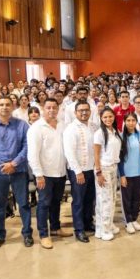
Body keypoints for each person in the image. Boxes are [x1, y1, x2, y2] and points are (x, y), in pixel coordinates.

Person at [0, 96, 33, 251]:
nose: (4, 107)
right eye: (1, 104)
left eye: (8, 104)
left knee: (23, 204)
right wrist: (3, 165)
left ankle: (27, 234)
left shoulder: (22, 125)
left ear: (13, 106)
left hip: (19, 170)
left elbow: (27, 146)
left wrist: (13, 163)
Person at [27, 98, 71, 250]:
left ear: (58, 109)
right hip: (44, 174)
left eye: (54, 107)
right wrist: (38, 174)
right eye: (48, 107)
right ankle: (44, 234)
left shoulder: (62, 125)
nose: (51, 110)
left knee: (56, 202)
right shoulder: (36, 128)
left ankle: (55, 228)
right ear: (43, 109)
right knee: (44, 204)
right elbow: (32, 154)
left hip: (60, 171)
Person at [63, 100, 96, 243]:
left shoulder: (94, 126)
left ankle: (88, 223)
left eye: (86, 110)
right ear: (75, 113)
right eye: (81, 110)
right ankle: (79, 229)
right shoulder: (71, 129)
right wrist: (78, 171)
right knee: (78, 201)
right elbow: (69, 152)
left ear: (90, 111)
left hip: (92, 169)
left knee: (89, 199)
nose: (84, 113)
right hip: (78, 170)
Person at [93, 107, 122, 241]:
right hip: (103, 169)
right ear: (101, 118)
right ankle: (104, 230)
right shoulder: (99, 133)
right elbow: (96, 154)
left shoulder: (115, 132)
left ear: (114, 117)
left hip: (113, 168)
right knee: (105, 200)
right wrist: (99, 172)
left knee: (112, 198)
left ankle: (107, 225)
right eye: (105, 117)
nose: (108, 119)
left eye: (110, 116)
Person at [119, 113, 140, 234]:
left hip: (139, 172)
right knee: (127, 199)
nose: (131, 123)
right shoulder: (121, 137)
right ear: (125, 122)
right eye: (128, 120)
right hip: (127, 174)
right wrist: (122, 175)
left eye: (133, 120)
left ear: (136, 122)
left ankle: (134, 219)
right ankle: (128, 221)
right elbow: (119, 158)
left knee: (137, 198)